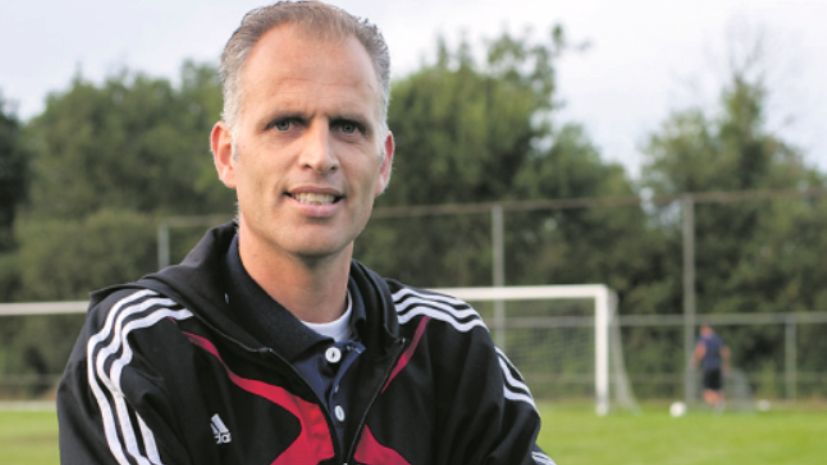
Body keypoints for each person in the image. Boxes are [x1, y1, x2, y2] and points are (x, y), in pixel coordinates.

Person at [56, 2, 554, 464]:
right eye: (286, 123)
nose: (320, 156)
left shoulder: (449, 345)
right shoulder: (140, 344)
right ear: (227, 154)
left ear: (383, 162)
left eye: (348, 126)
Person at [693, 323, 731, 409]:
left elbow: (701, 352)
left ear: (705, 329)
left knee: (706, 392)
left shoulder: (703, 339)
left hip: (707, 368)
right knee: (718, 389)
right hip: (717, 367)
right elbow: (725, 352)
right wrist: (726, 365)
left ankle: (717, 403)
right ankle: (720, 404)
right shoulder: (718, 339)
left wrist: (695, 363)